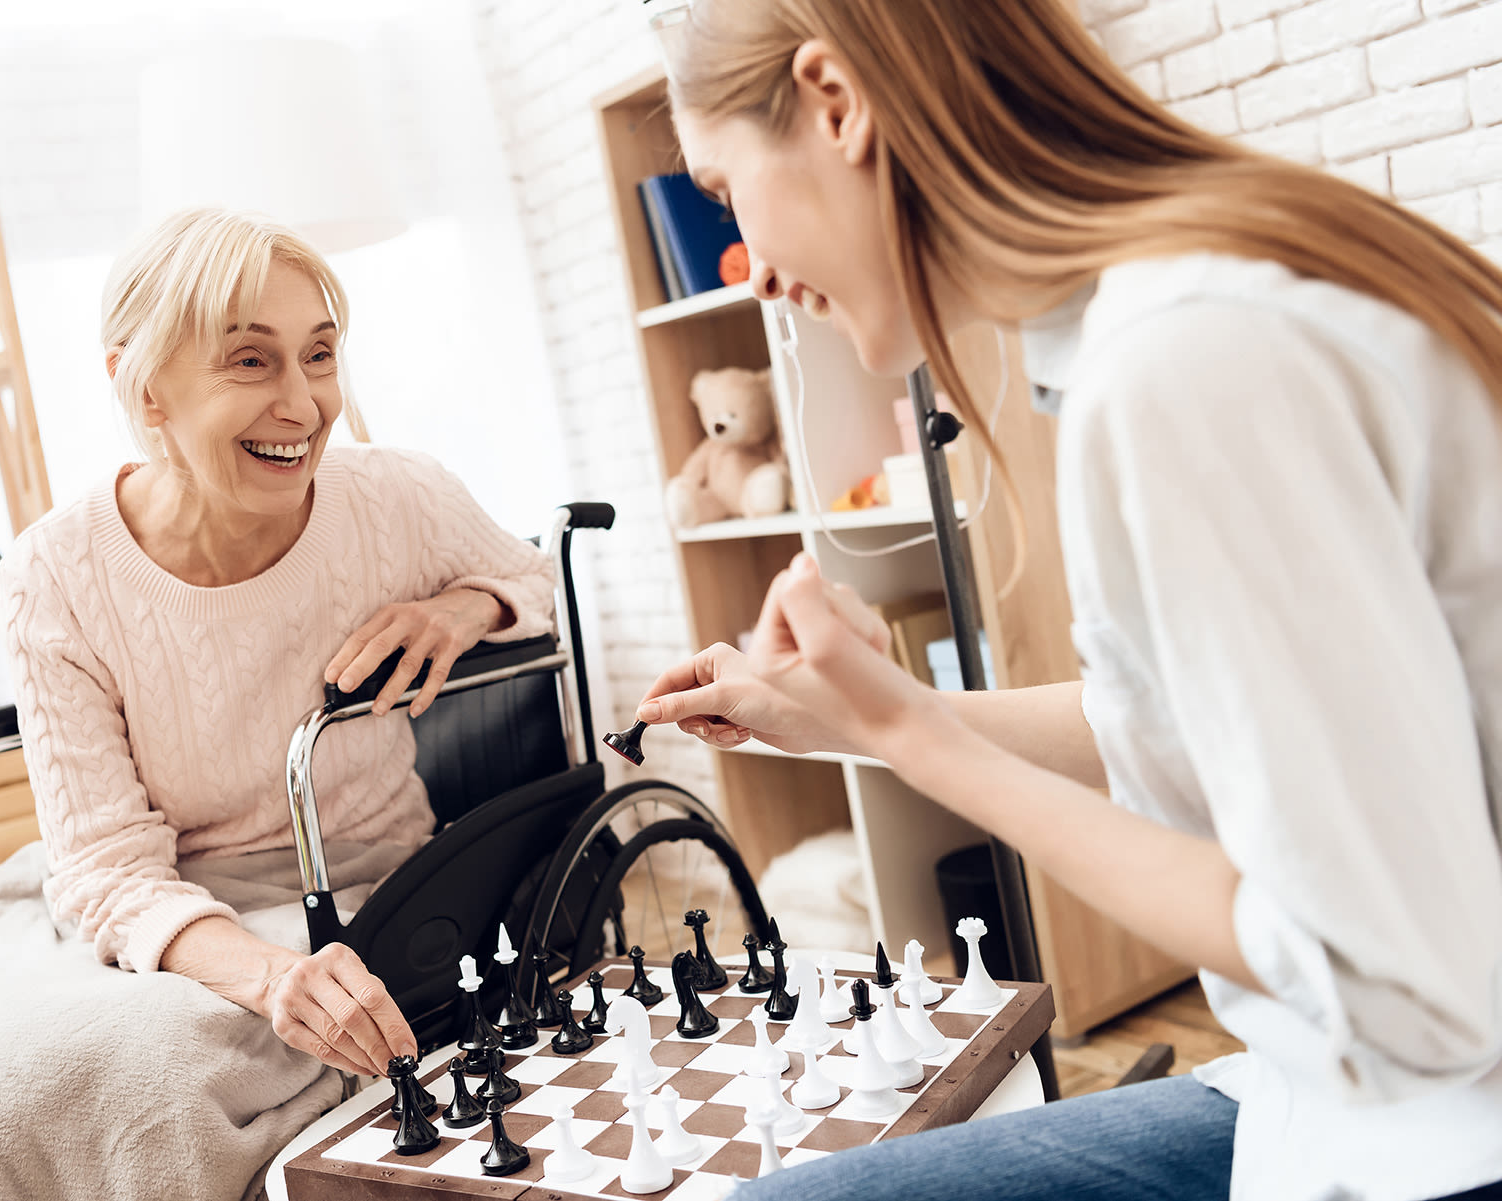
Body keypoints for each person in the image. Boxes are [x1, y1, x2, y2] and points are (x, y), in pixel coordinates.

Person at [635, 3, 1502, 1199]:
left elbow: (1401, 983)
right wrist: (855, 717)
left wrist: (916, 737)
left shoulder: (1183, 365)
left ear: (837, 103)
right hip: (1344, 1087)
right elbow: (1181, 717)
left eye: (728, 190)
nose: (757, 270)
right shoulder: (1187, 298)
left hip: (1437, 1128)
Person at [0, 207, 556, 1200]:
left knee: (153, 1089)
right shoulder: (59, 569)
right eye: (251, 363)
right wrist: (266, 977)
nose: (303, 404)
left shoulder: (398, 498)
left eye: (320, 356)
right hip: (155, 906)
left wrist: (464, 606)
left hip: (352, 880)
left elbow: (538, 581)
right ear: (144, 386)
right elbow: (110, 868)